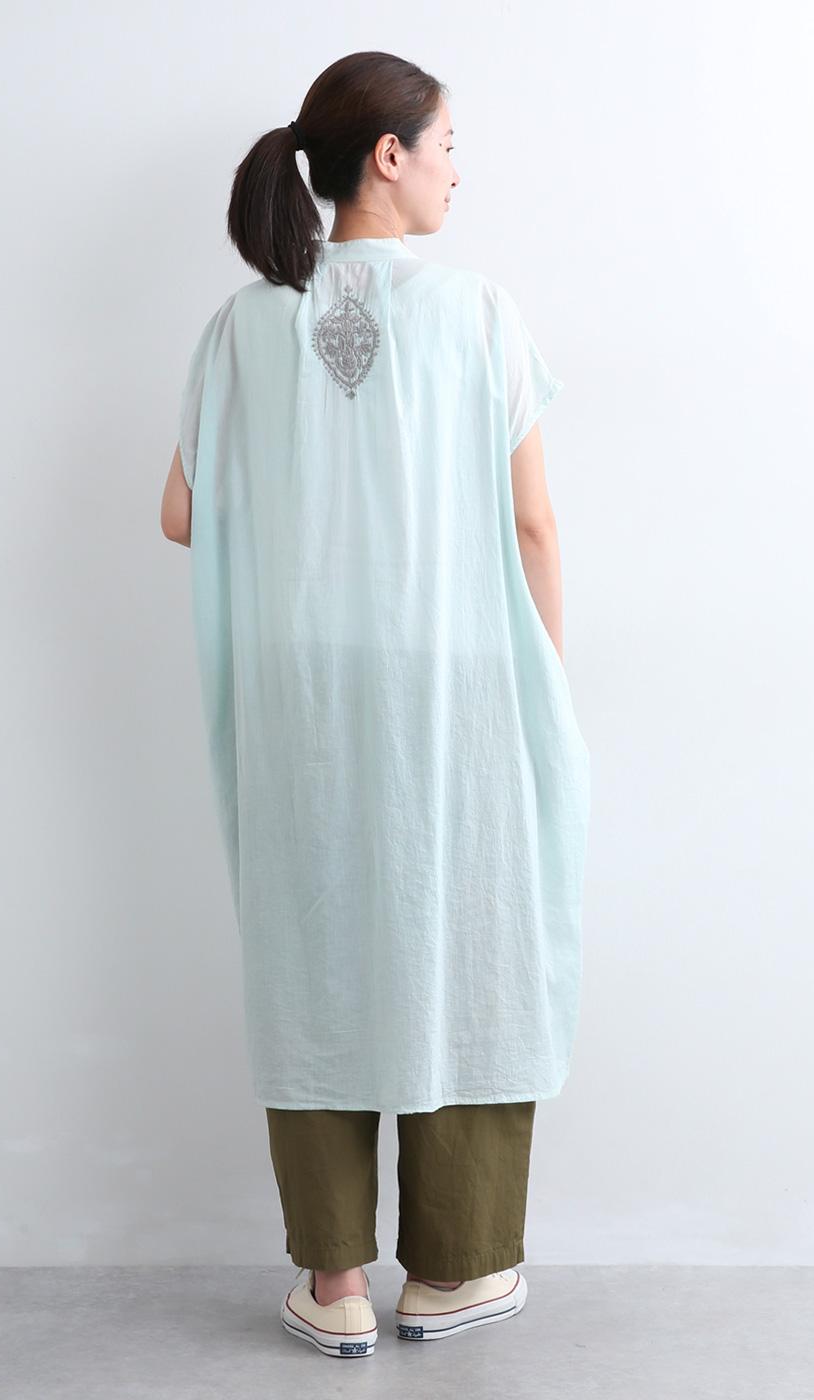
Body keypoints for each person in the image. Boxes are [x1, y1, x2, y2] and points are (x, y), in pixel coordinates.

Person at [160, 51, 590, 1358]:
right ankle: (454, 1273)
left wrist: (309, 522)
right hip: (451, 681)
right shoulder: (476, 312)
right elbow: (531, 525)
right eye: (449, 144)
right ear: (388, 155)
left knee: (319, 952)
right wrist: (547, 681)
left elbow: (181, 514)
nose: (460, 170)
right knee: (466, 939)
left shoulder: (243, 325)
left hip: (298, 691)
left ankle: (334, 1281)